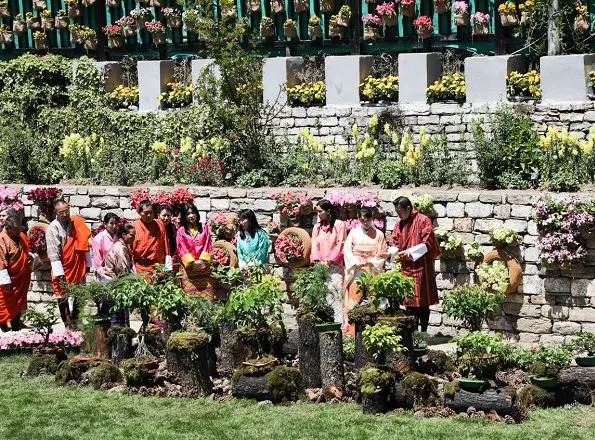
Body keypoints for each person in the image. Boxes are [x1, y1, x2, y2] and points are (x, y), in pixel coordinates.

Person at [390, 196, 440, 333]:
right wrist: (391, 252)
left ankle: (423, 332)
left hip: (421, 267)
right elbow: (394, 241)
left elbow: (427, 244)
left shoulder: (423, 220)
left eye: (400, 212)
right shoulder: (399, 223)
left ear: (408, 208)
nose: (398, 215)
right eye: (397, 212)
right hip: (406, 268)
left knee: (423, 303)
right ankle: (412, 333)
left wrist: (409, 252)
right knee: (409, 302)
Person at [45, 199, 92, 328]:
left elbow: (85, 243)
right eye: (62, 212)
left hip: (77, 264)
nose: (65, 214)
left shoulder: (76, 222)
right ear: (56, 212)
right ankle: (67, 323)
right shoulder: (52, 229)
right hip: (63, 267)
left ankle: (77, 319)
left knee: (79, 293)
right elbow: (54, 254)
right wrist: (60, 275)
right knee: (62, 294)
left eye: (67, 211)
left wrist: (88, 264)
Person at [343, 207, 389, 336]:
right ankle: (351, 332)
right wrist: (355, 261)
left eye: (368, 220)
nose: (365, 223)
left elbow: (382, 253)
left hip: (372, 270)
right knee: (354, 299)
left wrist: (370, 261)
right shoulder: (353, 233)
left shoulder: (379, 234)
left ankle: (375, 330)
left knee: (374, 299)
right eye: (362, 220)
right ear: (358, 219)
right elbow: (347, 251)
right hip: (356, 269)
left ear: (372, 219)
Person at [311, 199, 347, 324]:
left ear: (328, 211)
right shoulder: (317, 227)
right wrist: (319, 261)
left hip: (335, 266)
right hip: (320, 266)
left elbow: (340, 243)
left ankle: (339, 326)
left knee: (335, 294)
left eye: (320, 211)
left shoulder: (339, 225)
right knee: (321, 295)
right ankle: (325, 324)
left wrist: (329, 261)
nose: (318, 214)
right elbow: (314, 245)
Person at [96, 223, 136, 326]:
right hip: (113, 285)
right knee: (116, 317)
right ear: (123, 234)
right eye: (132, 235)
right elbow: (123, 272)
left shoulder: (122, 247)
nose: (133, 238)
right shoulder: (119, 249)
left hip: (114, 284)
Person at [0, 217, 32, 332]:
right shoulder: (2, 240)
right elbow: (1, 264)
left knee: (18, 304)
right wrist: (6, 282)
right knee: (4, 305)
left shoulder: (21, 236)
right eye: (16, 229)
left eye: (20, 228)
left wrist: (30, 258)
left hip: (20, 279)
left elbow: (27, 251)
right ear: (8, 228)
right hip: (8, 279)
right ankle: (4, 330)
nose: (19, 231)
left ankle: (16, 329)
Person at [176, 203, 214, 300]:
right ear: (184, 216)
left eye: (193, 213)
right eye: (188, 214)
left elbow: (207, 243)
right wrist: (192, 262)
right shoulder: (181, 231)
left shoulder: (204, 227)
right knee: (190, 296)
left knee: (207, 296)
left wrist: (202, 260)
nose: (191, 216)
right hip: (188, 268)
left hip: (203, 266)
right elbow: (181, 247)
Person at [131, 200, 172, 275]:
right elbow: (129, 249)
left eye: (151, 212)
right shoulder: (134, 226)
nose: (149, 215)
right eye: (146, 213)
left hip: (159, 268)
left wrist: (168, 267)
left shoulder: (159, 224)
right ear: (139, 213)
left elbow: (166, 245)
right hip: (141, 268)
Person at [92, 212, 119, 277]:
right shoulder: (99, 238)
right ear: (105, 224)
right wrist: (104, 274)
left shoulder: (117, 237)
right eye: (111, 223)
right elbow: (97, 259)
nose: (114, 226)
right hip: (104, 273)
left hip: (116, 272)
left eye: (116, 223)